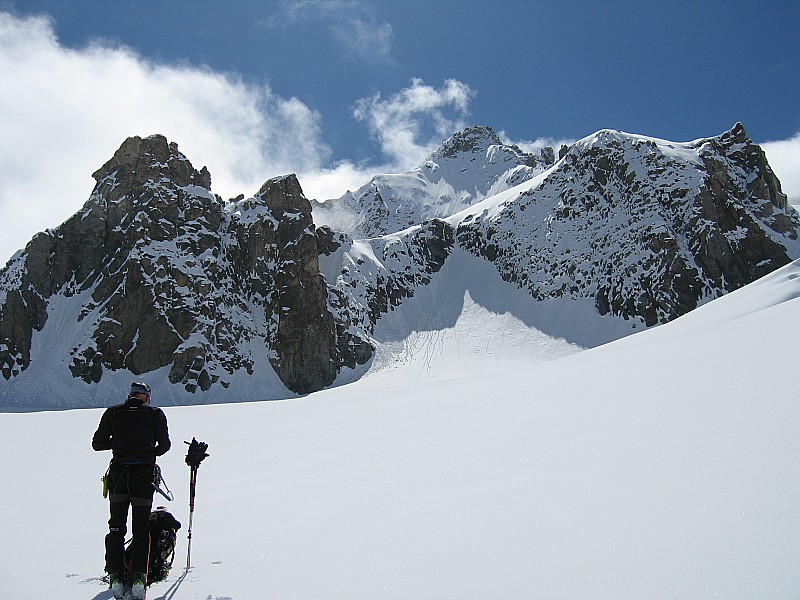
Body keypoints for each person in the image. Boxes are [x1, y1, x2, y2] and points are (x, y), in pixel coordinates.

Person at [92, 381, 171, 599]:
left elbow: (97, 444)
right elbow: (164, 446)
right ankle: (139, 577)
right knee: (141, 528)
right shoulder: (155, 414)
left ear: (131, 395)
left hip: (118, 476)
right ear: (146, 397)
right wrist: (144, 449)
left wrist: (119, 444)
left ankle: (116, 575)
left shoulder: (114, 413)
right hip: (143, 478)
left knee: (116, 527)